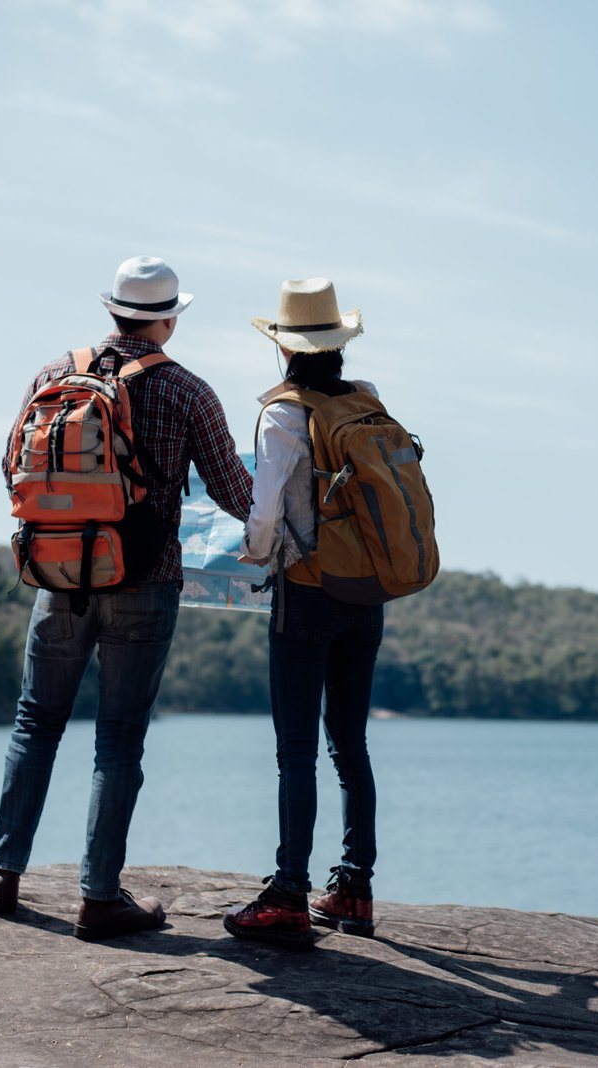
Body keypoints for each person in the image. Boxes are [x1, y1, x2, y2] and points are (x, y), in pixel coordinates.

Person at [0, 256, 256, 941]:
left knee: (36, 723)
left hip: (60, 579)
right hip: (147, 582)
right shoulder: (189, 391)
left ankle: (3, 873)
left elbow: (12, 465)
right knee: (118, 740)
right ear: (169, 319)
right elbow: (237, 495)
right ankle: (98, 897)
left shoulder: (54, 374)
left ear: (114, 310)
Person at [223, 278, 384, 946]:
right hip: (366, 595)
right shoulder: (367, 403)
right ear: (338, 347)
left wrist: (250, 555)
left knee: (296, 754)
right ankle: (353, 889)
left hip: (307, 593)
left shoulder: (284, 414)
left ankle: (289, 893)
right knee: (349, 745)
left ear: (284, 351)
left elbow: (264, 517)